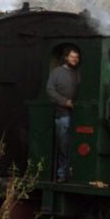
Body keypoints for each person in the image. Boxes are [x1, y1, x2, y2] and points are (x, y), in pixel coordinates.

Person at [45, 47, 80, 182]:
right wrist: (65, 102)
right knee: (63, 144)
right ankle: (62, 173)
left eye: (76, 58)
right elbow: (50, 90)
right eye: (72, 57)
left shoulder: (78, 73)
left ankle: (73, 172)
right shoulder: (57, 72)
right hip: (63, 113)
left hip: (79, 113)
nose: (74, 60)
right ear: (66, 57)